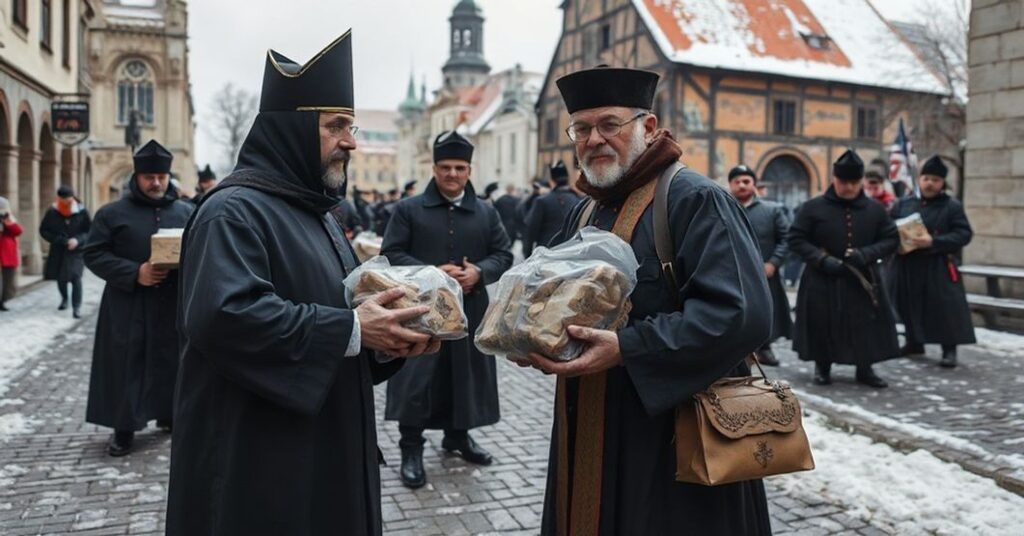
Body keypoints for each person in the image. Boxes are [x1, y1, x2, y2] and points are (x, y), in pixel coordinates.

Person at [165, 32, 438, 535]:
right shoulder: (232, 212)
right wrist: (356, 329)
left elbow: (337, 314)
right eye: (336, 126)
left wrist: (389, 338)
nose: (352, 141)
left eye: (352, 126)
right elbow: (225, 317)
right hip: (262, 457)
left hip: (324, 441)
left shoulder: (319, 215)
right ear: (290, 130)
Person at [513, 65, 772, 535]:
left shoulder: (696, 199)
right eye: (582, 128)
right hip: (589, 423)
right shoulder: (586, 208)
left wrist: (628, 348)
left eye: (609, 124)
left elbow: (742, 315)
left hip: (673, 439)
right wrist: (529, 332)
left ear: (647, 127)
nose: (594, 139)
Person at [382, 130, 513, 490]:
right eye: (445, 167)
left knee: (464, 377)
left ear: (469, 170)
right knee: (416, 379)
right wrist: (433, 273)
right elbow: (391, 253)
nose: (452, 174)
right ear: (434, 168)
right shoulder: (408, 209)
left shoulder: (486, 211)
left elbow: (504, 254)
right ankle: (411, 448)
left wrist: (479, 272)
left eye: (459, 167)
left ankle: (457, 437)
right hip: (420, 310)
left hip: (469, 310)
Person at [81, 140, 193, 455]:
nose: (156, 183)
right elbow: (94, 254)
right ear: (137, 177)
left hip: (172, 301)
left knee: (172, 359)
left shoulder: (187, 211)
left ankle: (169, 415)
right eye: (149, 178)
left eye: (161, 176)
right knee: (127, 365)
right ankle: (124, 429)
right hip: (127, 303)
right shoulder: (112, 213)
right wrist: (134, 272)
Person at [789, 149, 899, 387]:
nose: (848, 187)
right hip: (822, 277)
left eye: (853, 182)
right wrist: (820, 259)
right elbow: (796, 239)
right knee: (822, 322)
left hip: (861, 278)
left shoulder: (875, 210)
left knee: (864, 324)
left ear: (860, 182)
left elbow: (891, 239)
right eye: (843, 182)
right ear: (833, 180)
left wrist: (866, 254)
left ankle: (865, 368)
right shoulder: (812, 208)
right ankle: (823, 366)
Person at [891, 155, 975, 368]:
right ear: (920, 180)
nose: (930, 183)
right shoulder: (904, 204)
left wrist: (933, 241)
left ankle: (949, 350)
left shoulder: (952, 206)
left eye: (935, 180)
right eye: (926, 178)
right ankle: (913, 342)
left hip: (938, 265)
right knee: (908, 304)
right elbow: (887, 228)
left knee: (944, 309)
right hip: (908, 264)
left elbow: (964, 234)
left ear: (942, 183)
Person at [727, 164, 791, 366]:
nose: (742, 185)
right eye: (737, 182)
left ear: (754, 184)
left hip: (765, 275)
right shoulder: (723, 209)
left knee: (765, 313)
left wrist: (773, 263)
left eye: (746, 181)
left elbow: (786, 239)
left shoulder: (772, 211)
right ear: (730, 185)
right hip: (731, 274)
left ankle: (765, 348)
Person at [40, 185, 91, 318]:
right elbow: (44, 230)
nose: (66, 203)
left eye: (69, 200)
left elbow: (89, 231)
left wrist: (78, 240)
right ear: (59, 199)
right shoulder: (52, 211)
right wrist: (60, 240)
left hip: (77, 251)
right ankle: (64, 299)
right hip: (59, 249)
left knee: (76, 278)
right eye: (63, 200)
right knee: (61, 278)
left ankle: (76, 307)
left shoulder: (82, 211)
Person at [522, 161, 581, 258]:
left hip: (547, 254)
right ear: (567, 179)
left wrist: (527, 254)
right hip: (572, 256)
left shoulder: (542, 201)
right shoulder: (579, 201)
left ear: (552, 181)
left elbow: (531, 230)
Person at [0, 197, 22, 311]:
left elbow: (18, 231)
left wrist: (7, 220)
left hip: (7, 253)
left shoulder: (8, 218)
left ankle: (3, 301)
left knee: (8, 279)